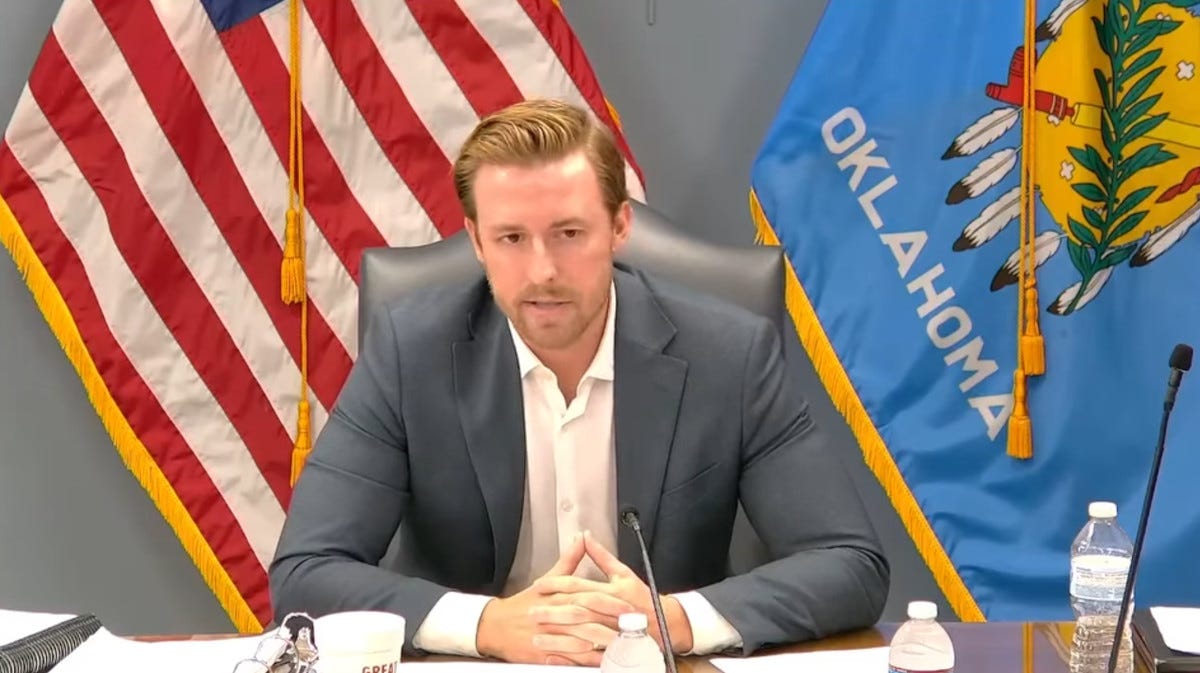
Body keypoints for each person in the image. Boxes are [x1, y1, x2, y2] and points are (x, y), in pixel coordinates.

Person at [269, 98, 889, 665]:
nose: (542, 272)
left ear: (620, 227)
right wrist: (488, 625)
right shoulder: (412, 353)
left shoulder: (729, 354)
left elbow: (850, 564)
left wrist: (673, 619)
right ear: (477, 241)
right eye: (511, 238)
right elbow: (306, 572)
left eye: (569, 234)